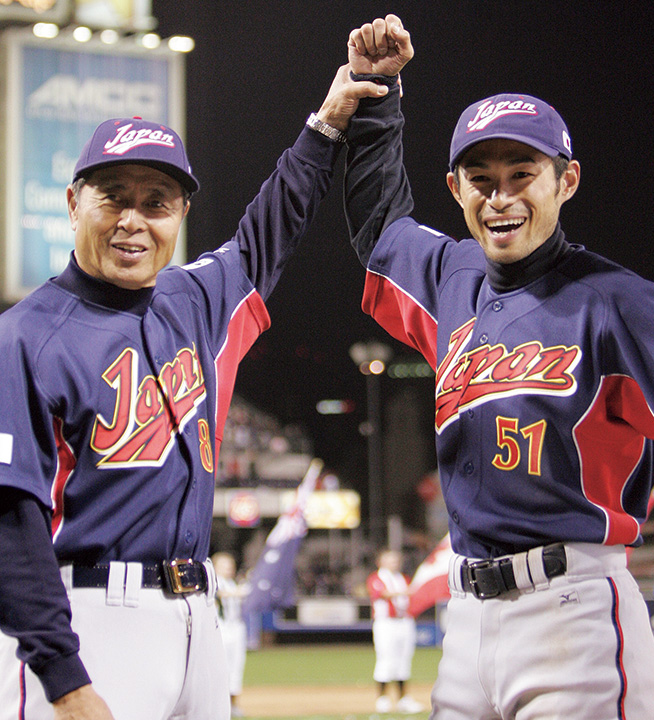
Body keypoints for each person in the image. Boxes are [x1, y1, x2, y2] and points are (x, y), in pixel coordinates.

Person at [342, 15, 654, 719]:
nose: (500, 196)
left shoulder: (618, 302)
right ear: (454, 188)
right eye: (480, 179)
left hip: (572, 611)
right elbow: (377, 224)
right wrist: (379, 93)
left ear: (566, 180)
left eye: (523, 174)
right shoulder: (448, 278)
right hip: (467, 619)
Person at [0, 57, 390, 719]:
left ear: (179, 214)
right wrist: (65, 679)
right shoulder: (24, 337)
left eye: (156, 202)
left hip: (197, 619)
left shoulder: (198, 299)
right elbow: (10, 522)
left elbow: (272, 223)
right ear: (73, 204)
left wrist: (325, 126)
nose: (133, 219)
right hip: (89, 622)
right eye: (113, 196)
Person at [366, 549, 424, 714]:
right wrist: (405, 592)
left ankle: (403, 698)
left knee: (404, 659)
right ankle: (382, 698)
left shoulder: (402, 578)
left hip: (404, 622)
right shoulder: (377, 578)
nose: (394, 563)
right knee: (385, 658)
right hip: (386, 623)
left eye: (396, 560)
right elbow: (380, 593)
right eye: (390, 560)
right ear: (381, 562)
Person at [212, 552, 248, 718]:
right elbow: (219, 594)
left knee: (236, 666)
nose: (229, 568)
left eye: (230, 565)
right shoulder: (214, 582)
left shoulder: (232, 583)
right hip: (222, 628)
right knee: (222, 667)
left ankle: (233, 703)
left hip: (236, 627)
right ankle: (220, 704)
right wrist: (241, 591)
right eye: (225, 565)